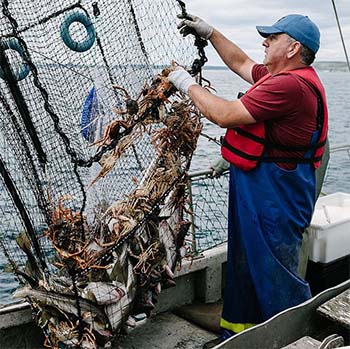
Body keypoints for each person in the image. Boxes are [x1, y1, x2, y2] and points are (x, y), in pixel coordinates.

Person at [168, 13, 328, 347]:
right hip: (256, 189)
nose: (265, 41)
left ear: (293, 47)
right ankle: (238, 336)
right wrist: (210, 33)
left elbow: (224, 114)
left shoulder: (290, 86)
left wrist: (184, 82)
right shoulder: (277, 76)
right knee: (244, 271)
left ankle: (296, 340)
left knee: (275, 276)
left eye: (273, 37)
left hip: (276, 198)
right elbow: (241, 61)